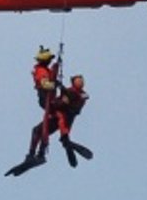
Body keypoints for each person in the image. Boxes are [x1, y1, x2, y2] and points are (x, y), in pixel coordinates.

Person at [5, 48, 62, 176]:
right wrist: (54, 84)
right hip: (46, 98)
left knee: (40, 130)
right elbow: (44, 84)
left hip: (51, 102)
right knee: (39, 130)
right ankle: (36, 153)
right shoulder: (41, 71)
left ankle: (38, 153)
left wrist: (55, 81)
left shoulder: (46, 70)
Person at [53, 74, 93, 166]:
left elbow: (76, 96)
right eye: (78, 81)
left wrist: (62, 88)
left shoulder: (83, 94)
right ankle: (66, 142)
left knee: (66, 125)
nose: (81, 82)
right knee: (62, 121)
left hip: (71, 114)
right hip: (64, 112)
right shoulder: (70, 90)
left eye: (82, 81)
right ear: (73, 82)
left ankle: (66, 143)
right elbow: (65, 95)